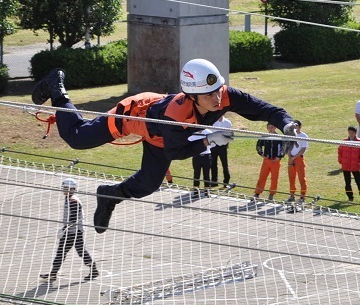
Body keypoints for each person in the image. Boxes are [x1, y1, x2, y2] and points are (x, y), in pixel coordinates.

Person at [30, 60, 297, 234]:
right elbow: (177, 152)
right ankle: (57, 87)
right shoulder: (176, 115)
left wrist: (287, 125)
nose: (217, 99)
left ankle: (109, 195)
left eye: (218, 91)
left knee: (148, 184)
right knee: (78, 138)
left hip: (163, 137)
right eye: (209, 95)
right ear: (192, 96)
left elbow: (265, 109)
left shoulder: (225, 95)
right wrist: (209, 140)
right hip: (135, 116)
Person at [40, 178, 99, 282]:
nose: (64, 189)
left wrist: (64, 229)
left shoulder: (73, 201)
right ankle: (53, 274)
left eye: (66, 188)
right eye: (64, 187)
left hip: (74, 231)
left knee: (68, 252)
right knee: (68, 252)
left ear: (73, 189)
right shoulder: (69, 198)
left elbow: (74, 217)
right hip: (72, 230)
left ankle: (93, 270)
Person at [253, 124, 285, 202]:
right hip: (266, 161)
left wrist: (279, 157)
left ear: (275, 127)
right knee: (262, 176)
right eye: (269, 127)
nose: (271, 129)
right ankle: (257, 193)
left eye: (273, 127)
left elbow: (284, 148)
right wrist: (262, 155)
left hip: (276, 161)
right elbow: (258, 146)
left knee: (274, 178)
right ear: (267, 128)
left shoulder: (280, 138)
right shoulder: (264, 136)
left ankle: (272, 194)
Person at [338, 126, 360, 204]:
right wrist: (341, 160)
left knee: (359, 183)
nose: (351, 134)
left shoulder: (359, 142)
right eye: (350, 132)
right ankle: (350, 198)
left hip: (355, 166)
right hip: (346, 166)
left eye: (352, 132)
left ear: (355, 133)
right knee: (347, 183)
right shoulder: (344, 141)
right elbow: (340, 151)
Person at [287, 121, 309, 204]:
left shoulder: (304, 136)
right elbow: (288, 146)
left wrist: (293, 157)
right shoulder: (290, 135)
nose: (295, 128)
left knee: (301, 178)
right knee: (291, 178)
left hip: (298, 158)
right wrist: (289, 156)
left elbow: (303, 149)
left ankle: (303, 197)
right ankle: (292, 195)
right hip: (291, 157)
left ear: (300, 126)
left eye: (297, 127)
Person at [209, 115, 232, 187]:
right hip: (213, 145)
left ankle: (226, 181)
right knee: (213, 164)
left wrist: (226, 144)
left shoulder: (227, 123)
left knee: (224, 164)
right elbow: (209, 133)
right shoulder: (212, 121)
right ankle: (214, 181)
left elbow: (230, 135)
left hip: (222, 146)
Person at [190, 128, 213, 197]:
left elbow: (213, 143)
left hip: (206, 156)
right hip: (197, 156)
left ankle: (207, 192)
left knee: (206, 175)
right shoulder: (193, 132)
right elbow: (190, 141)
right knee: (196, 174)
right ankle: (196, 191)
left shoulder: (208, 132)